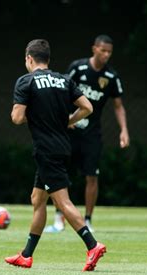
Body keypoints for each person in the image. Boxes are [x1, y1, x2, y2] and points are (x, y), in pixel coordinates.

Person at [5, 39, 107, 271]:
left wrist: (34, 113)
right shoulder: (64, 80)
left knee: (62, 201)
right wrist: (67, 121)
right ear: (48, 60)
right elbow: (88, 108)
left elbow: (17, 118)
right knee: (37, 199)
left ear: (29, 58)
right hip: (62, 146)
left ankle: (92, 245)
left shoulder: (26, 81)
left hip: (46, 151)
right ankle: (26, 255)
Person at [44, 34, 130, 233]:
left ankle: (88, 220)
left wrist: (124, 130)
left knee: (92, 176)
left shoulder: (111, 77)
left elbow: (118, 106)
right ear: (94, 49)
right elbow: (61, 91)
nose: (106, 55)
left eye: (109, 52)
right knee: (62, 174)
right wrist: (66, 116)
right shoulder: (78, 68)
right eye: (103, 50)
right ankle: (59, 219)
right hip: (69, 131)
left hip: (92, 134)